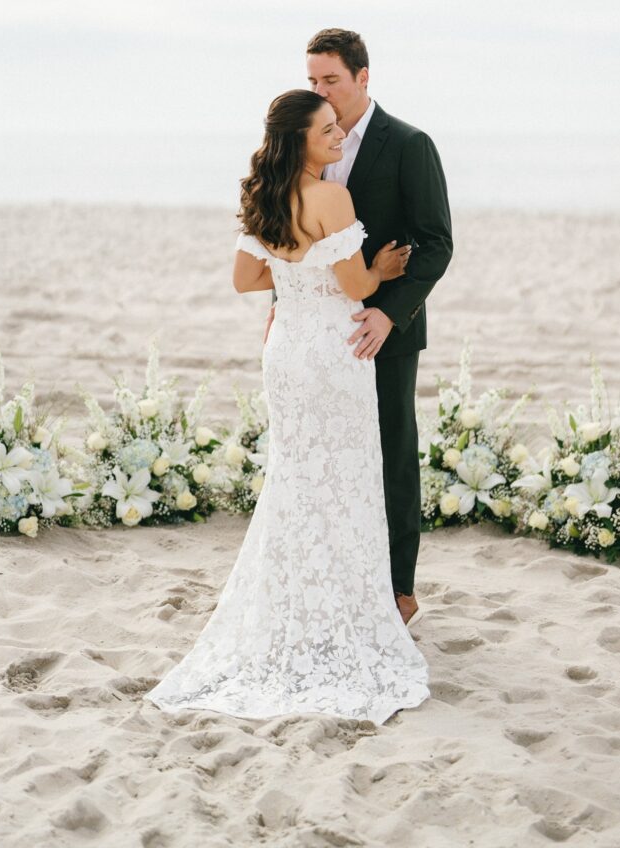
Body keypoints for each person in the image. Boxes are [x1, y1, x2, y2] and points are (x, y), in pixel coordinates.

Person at [144, 89, 431, 724]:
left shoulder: (263, 197)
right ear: (299, 140)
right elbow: (356, 285)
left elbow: (246, 279)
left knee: (296, 478)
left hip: (286, 350)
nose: (336, 135)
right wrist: (379, 269)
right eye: (326, 129)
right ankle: (344, 615)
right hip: (332, 351)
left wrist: (298, 273)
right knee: (345, 479)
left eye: (337, 125)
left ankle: (291, 608)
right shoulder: (331, 197)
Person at [266, 29, 453, 626]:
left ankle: (399, 590)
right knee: (327, 458)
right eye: (313, 80)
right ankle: (334, 577)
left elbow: (436, 245)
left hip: (381, 331)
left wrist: (389, 311)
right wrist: (285, 299)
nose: (321, 89)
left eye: (332, 80)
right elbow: (287, 232)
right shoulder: (301, 145)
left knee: (391, 454)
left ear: (363, 77)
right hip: (314, 335)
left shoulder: (409, 144)